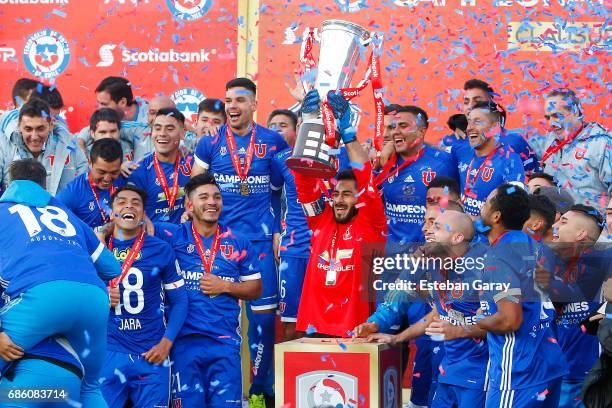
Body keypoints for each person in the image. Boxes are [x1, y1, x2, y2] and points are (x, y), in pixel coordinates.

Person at [191, 77, 288, 404]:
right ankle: (213, 393)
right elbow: (196, 189)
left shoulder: (273, 142)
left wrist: (278, 229)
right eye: (228, 100)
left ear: (254, 104)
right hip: (221, 249)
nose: (232, 106)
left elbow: (280, 191)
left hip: (259, 246)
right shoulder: (209, 143)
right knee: (214, 322)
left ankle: (260, 393)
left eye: (240, 100)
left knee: (262, 326)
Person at [0, 159, 121, 406]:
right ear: (45, 186)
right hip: (93, 300)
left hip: (41, 297)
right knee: (90, 387)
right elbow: (112, 267)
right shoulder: (66, 213)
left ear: (8, 185)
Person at [154, 173, 262, 407]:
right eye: (204, 197)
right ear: (189, 205)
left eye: (217, 197)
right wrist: (103, 230)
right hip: (183, 344)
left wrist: (225, 286)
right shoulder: (172, 235)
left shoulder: (238, 241)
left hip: (224, 344)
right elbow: (136, 222)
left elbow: (255, 289)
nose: (212, 202)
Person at [293, 89, 387, 338]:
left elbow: (365, 178)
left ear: (359, 199)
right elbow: (304, 182)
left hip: (354, 331)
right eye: (335, 194)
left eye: (347, 194)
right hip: (314, 327)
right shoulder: (320, 220)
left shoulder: (371, 224)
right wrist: (310, 124)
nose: (339, 200)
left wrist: (348, 134)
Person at [476, 184, 567, 407]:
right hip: (546, 363)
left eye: (487, 201)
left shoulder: (501, 255)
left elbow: (510, 320)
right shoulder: (533, 246)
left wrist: (476, 321)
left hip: (519, 370)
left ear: (496, 216)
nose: (481, 204)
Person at [99, 185, 188, 408]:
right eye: (121, 202)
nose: (129, 205)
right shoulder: (96, 249)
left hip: (151, 353)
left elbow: (179, 300)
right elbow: (77, 297)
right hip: (109, 352)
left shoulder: (161, 249)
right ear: (112, 213)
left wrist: (166, 343)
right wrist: (100, 297)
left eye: (136, 203)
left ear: (143, 214)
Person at [538, 205, 610, 408]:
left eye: (563, 222)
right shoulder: (548, 258)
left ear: (581, 234)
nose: (555, 227)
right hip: (552, 370)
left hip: (586, 374)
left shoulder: (603, 260)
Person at [377, 105, 459, 246]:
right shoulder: (383, 162)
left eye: (403, 126)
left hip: (428, 252)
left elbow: (457, 207)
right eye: (393, 127)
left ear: (421, 132)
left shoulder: (444, 162)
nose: (395, 132)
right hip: (390, 253)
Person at [269, 110, 308, 341]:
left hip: (325, 249)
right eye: (272, 125)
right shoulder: (281, 159)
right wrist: (276, 231)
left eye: (283, 125)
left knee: (324, 322)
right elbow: (272, 197)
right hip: (293, 247)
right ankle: (292, 377)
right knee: (290, 323)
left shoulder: (338, 155)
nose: (277, 130)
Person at [540, 88, 611, 213]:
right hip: (554, 220)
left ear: (576, 112)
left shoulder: (602, 142)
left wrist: (606, 229)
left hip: (590, 223)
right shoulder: (550, 139)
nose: (551, 123)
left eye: (557, 116)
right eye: (548, 117)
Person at [0, 99, 87, 195]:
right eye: (28, 129)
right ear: (19, 126)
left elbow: (84, 190)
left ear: (50, 126)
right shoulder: (4, 146)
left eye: (40, 129)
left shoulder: (70, 146)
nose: (34, 136)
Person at [459, 101, 525, 217]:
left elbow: (516, 204)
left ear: (494, 127)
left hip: (489, 233)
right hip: (460, 232)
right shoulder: (461, 152)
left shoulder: (510, 161)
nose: (469, 128)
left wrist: (478, 221)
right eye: (468, 122)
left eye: (477, 122)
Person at [460, 79, 540, 174]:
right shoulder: (457, 145)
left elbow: (536, 180)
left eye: (477, 101)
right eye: (466, 102)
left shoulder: (513, 141)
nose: (470, 106)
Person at [127, 108, 192, 223]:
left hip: (185, 237)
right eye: (157, 128)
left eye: (170, 129)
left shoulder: (193, 164)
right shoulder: (139, 170)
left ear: (183, 133)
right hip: (153, 238)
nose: (162, 134)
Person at [77, 76, 149, 161]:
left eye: (104, 104)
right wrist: (80, 141)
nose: (100, 108)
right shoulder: (109, 120)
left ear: (122, 102)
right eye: (99, 103)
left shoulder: (152, 118)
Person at [57, 138, 125, 228]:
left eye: (114, 172)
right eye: (101, 172)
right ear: (90, 163)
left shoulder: (126, 179)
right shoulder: (73, 192)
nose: (107, 179)